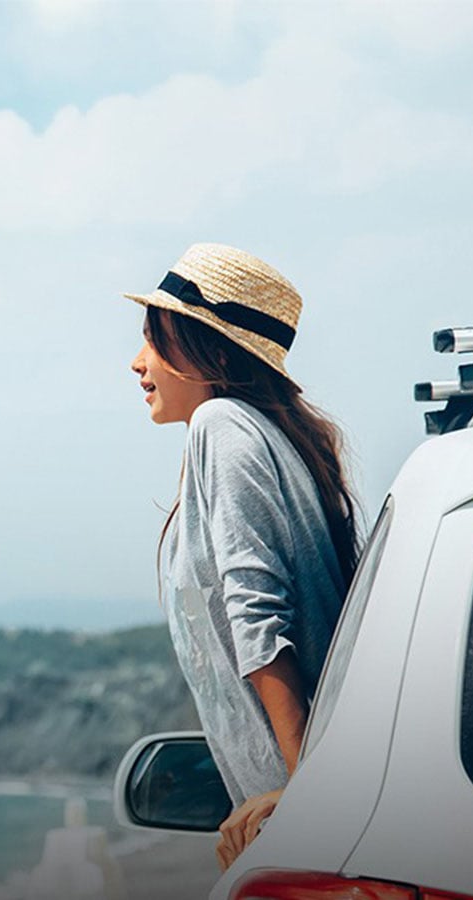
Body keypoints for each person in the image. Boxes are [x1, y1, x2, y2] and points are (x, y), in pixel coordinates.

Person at [125, 243, 360, 871]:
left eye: (155, 339)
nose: (136, 363)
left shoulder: (221, 425)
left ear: (212, 352)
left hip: (304, 821)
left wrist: (306, 793)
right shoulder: (276, 438)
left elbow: (256, 614)